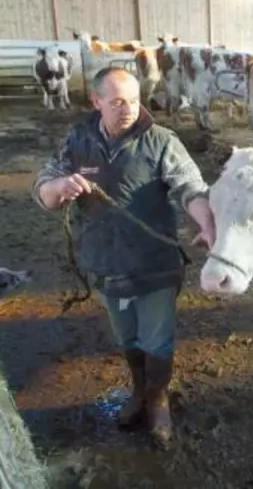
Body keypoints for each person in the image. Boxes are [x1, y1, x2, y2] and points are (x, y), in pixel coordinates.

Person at [31, 66, 215, 447]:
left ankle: (158, 398)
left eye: (132, 100)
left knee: (157, 339)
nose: (126, 108)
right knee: (125, 334)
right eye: (116, 101)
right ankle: (138, 390)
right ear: (96, 101)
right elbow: (43, 192)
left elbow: (191, 187)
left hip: (154, 265)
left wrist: (207, 224)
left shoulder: (161, 140)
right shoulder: (78, 140)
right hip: (104, 264)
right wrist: (60, 186)